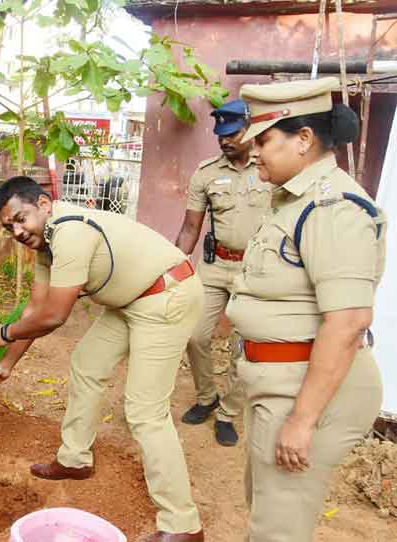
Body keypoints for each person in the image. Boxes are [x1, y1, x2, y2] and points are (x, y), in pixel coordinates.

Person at [0, 177, 205, 542]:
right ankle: (75, 459)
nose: (18, 231)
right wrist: (8, 363)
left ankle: (184, 525)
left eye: (21, 219)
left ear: (44, 204)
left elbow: (54, 317)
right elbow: (36, 310)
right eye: (10, 227)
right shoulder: (45, 246)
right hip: (131, 298)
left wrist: (4, 334)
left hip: (166, 294)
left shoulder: (70, 234)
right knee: (87, 364)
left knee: (145, 411)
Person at [226, 77, 385, 542]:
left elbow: (349, 321)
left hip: (307, 391)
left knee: (279, 529)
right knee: (268, 512)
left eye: (264, 139)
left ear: (304, 139)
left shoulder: (334, 209)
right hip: (280, 382)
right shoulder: (295, 201)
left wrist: (302, 420)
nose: (254, 151)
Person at [175, 99, 272, 446]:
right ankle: (206, 398)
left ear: (250, 130)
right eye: (220, 136)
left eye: (232, 134)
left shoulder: (270, 169)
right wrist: (171, 267)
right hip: (214, 267)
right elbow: (189, 228)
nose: (225, 141)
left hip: (256, 270)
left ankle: (228, 413)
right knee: (194, 335)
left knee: (242, 347)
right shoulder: (205, 172)